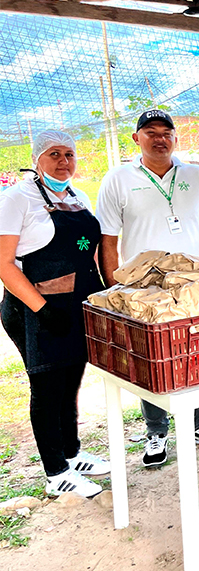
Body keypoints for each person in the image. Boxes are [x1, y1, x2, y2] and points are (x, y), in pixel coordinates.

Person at [97, 110, 199, 468]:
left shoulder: (197, 176)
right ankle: (156, 429)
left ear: (176, 138)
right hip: (144, 288)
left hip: (194, 284)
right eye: (150, 132)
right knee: (152, 358)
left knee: (197, 351)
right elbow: (108, 240)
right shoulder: (118, 179)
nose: (160, 138)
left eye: (166, 132)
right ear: (136, 138)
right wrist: (114, 286)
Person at [0, 131, 109, 497]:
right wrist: (42, 309)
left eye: (69, 154)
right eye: (54, 154)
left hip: (76, 306)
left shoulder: (79, 197)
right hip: (35, 309)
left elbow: (89, 252)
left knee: (71, 383)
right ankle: (55, 472)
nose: (64, 161)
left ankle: (73, 454)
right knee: (47, 386)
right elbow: (4, 264)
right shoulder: (17, 198)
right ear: (36, 159)